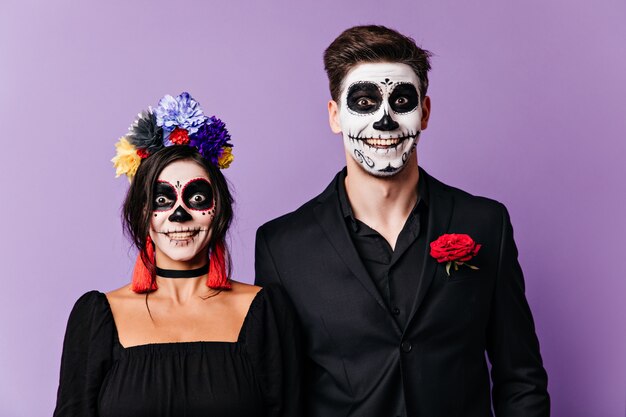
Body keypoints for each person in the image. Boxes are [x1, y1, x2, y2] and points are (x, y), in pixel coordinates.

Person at [255, 25, 549, 417]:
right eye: (364, 101)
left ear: (424, 112)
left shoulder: (485, 223)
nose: (384, 121)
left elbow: (521, 378)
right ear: (335, 116)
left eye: (401, 100)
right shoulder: (282, 246)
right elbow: (279, 395)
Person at [54, 92, 302, 417]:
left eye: (197, 198)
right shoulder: (96, 318)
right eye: (161, 200)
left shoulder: (265, 312)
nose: (179, 216)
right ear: (141, 213)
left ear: (219, 211)